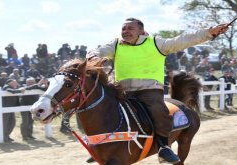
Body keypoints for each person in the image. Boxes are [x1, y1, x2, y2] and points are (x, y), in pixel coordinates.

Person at [87, 17, 228, 163]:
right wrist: (93, 55)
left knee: (158, 110)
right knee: (102, 108)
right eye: (124, 29)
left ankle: (163, 147)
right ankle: (101, 144)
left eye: (130, 28)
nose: (125, 31)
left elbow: (183, 40)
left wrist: (209, 32)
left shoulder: (156, 43)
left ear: (141, 31)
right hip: (121, 90)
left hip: (148, 90)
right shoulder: (116, 44)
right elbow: (99, 50)